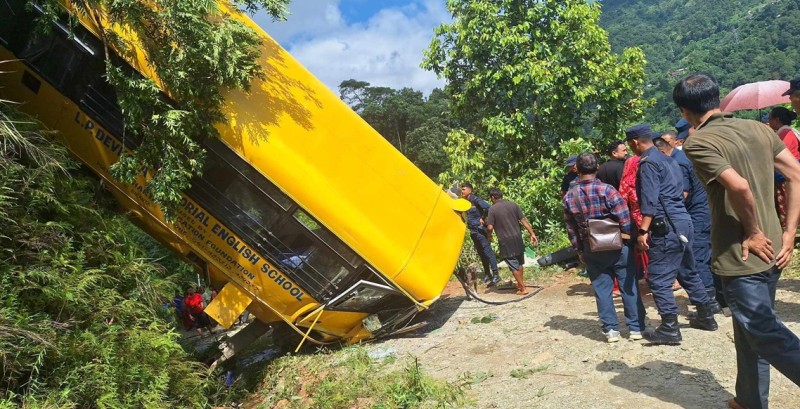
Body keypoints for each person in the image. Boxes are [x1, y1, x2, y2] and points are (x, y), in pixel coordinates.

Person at [679, 73, 800, 409]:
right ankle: (749, 400)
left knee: (762, 330)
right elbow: (796, 174)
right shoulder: (760, 129)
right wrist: (788, 233)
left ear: (685, 110)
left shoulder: (698, 142)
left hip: (741, 253)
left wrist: (753, 231)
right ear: (716, 99)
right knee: (751, 334)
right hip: (775, 249)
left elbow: (739, 186)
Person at [626, 123, 718, 345]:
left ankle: (669, 328)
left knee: (657, 278)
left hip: (665, 225)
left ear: (635, 142)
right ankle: (706, 316)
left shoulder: (647, 163)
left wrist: (643, 230)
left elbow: (649, 201)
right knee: (688, 271)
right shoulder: (671, 160)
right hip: (684, 221)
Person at [563, 152, 646, 342]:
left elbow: (571, 227)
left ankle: (611, 330)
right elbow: (624, 216)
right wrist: (627, 239)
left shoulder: (570, 196)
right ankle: (635, 328)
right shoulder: (607, 190)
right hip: (617, 245)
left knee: (602, 289)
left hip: (591, 246)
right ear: (597, 168)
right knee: (628, 286)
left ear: (577, 169)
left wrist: (579, 250)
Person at [654, 136, 722, 314]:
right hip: (704, 212)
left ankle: (709, 302)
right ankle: (715, 298)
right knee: (706, 255)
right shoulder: (681, 159)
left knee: (698, 258)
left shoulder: (678, 163)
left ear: (661, 151)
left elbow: (681, 194)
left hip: (697, 214)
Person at [486, 188, 538, 295]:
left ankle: (523, 288)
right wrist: (532, 234)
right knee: (519, 263)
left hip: (506, 240)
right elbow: (524, 220)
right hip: (517, 238)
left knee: (513, 264)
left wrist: (489, 237)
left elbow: (490, 227)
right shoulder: (513, 205)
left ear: (492, 197)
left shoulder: (492, 209)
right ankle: (520, 284)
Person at [461, 182, 501, 286]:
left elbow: (488, 208)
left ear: (470, 190)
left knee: (488, 252)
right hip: (473, 231)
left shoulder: (475, 199)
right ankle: (488, 274)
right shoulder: (465, 202)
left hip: (480, 231)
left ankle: (496, 275)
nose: (462, 191)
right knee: (482, 254)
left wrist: (483, 218)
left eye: (464, 189)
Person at [767, 106, 800, 230]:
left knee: (787, 204)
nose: (769, 121)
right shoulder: (789, 132)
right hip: (788, 173)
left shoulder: (785, 134)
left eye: (770, 118)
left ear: (777, 120)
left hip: (786, 176)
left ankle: (789, 229)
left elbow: (779, 153)